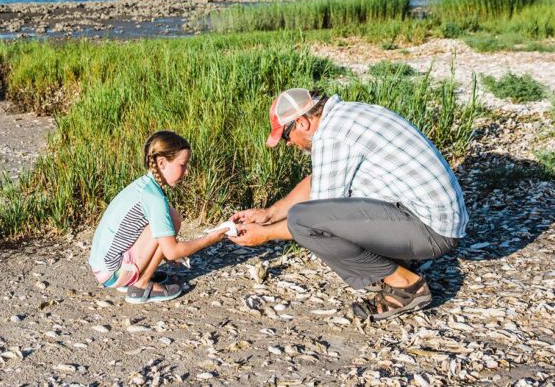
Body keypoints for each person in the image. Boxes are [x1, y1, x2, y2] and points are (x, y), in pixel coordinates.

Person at [229, 88, 467, 321]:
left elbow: (315, 216)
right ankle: (395, 263)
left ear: (301, 122)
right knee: (312, 216)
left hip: (432, 231)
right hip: (433, 218)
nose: (289, 144)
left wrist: (265, 234)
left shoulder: (332, 135)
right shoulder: (346, 115)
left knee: (303, 221)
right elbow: (319, 179)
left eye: (285, 136)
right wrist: (269, 214)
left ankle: (407, 286)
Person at [89, 130, 228, 304]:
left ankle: (137, 276)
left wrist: (167, 254)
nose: (186, 171)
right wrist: (210, 239)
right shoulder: (154, 198)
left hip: (102, 267)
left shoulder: (143, 186)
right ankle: (140, 286)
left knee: (171, 216)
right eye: (183, 165)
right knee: (168, 221)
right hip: (112, 273)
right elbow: (172, 251)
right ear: (161, 163)